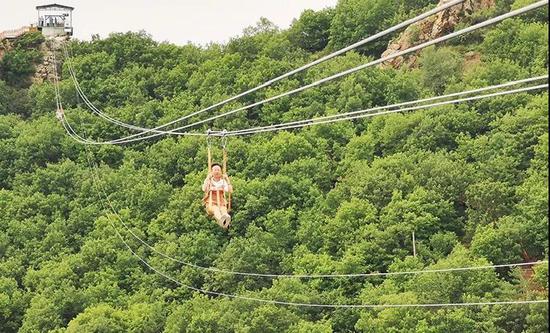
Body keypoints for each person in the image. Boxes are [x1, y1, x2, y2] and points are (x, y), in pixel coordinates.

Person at [202, 163, 233, 229]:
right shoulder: (209, 181)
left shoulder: (223, 182)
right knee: (216, 210)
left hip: (221, 202)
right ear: (212, 172)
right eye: (215, 170)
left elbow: (230, 190)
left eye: (218, 170)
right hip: (211, 203)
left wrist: (227, 180)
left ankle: (226, 220)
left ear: (221, 172)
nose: (217, 171)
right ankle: (221, 220)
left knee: (223, 210)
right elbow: (204, 189)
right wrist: (208, 178)